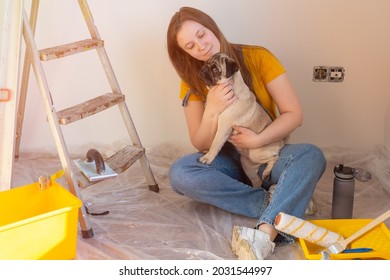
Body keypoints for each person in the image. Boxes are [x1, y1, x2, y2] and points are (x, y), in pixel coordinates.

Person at [166, 6, 326, 260]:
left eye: (201, 35)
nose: (201, 47)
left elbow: (294, 114)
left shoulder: (257, 57)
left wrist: (258, 139)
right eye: (190, 46)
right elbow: (200, 143)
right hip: (231, 161)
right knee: (180, 173)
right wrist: (212, 110)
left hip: (268, 154)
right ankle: (282, 204)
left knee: (311, 155)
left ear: (211, 26)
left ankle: (263, 234)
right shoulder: (194, 79)